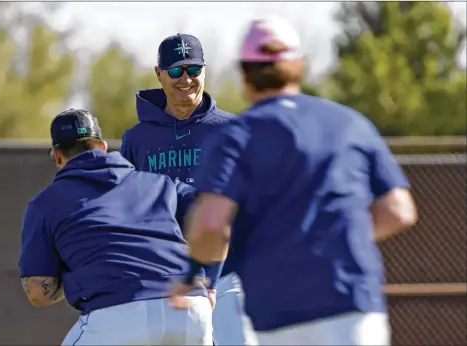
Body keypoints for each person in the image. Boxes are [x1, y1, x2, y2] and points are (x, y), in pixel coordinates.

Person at [170, 16, 418, 346]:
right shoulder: (349, 123)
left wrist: (189, 276)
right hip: (352, 305)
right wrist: (335, 237)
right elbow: (399, 211)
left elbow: (212, 223)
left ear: (245, 74)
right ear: (298, 65)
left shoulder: (235, 136)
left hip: (279, 309)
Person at [18, 109, 223, 345]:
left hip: (118, 318)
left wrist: (83, 272)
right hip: (190, 311)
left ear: (56, 155)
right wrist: (211, 285)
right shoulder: (160, 184)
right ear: (103, 146)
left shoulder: (46, 203)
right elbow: (216, 219)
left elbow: (37, 292)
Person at [120, 33, 257, 345]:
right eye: (175, 71)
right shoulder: (137, 139)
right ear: (159, 74)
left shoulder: (232, 130)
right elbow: (128, 208)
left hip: (228, 275)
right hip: (164, 281)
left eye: (194, 70)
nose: (186, 79)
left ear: (204, 71)